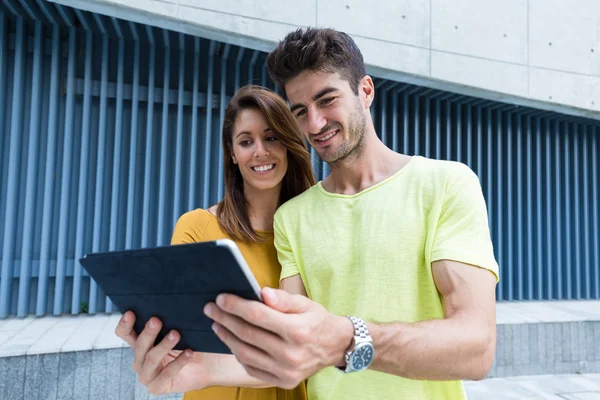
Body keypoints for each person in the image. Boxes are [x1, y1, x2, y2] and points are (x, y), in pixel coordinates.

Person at [204, 28, 500, 400]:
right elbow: (289, 351)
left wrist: (346, 338)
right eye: (300, 112)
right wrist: (197, 368)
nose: (314, 124)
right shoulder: (292, 218)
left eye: (327, 100)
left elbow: (476, 350)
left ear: (365, 91)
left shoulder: (445, 185)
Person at [115, 85, 315, 400]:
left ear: (291, 144)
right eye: (246, 141)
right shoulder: (196, 227)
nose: (260, 151)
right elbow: (177, 333)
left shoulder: (312, 231)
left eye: (272, 137)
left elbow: (312, 347)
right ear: (232, 153)